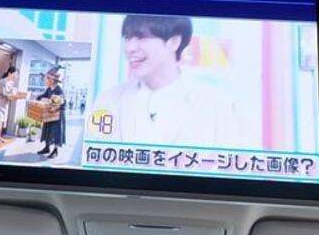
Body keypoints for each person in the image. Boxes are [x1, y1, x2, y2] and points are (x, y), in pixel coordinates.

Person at [89, 15, 229, 147]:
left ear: (174, 42)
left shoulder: (214, 104)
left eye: (142, 37)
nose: (129, 48)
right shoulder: (108, 99)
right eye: (127, 38)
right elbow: (86, 155)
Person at [35, 67, 66, 159]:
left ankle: (55, 150)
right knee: (47, 131)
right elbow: (43, 96)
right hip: (49, 114)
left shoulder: (59, 90)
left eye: (47, 79)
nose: (45, 81)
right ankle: (47, 147)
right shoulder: (49, 89)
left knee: (56, 133)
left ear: (52, 80)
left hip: (57, 115)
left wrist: (55, 108)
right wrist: (38, 97)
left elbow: (63, 103)